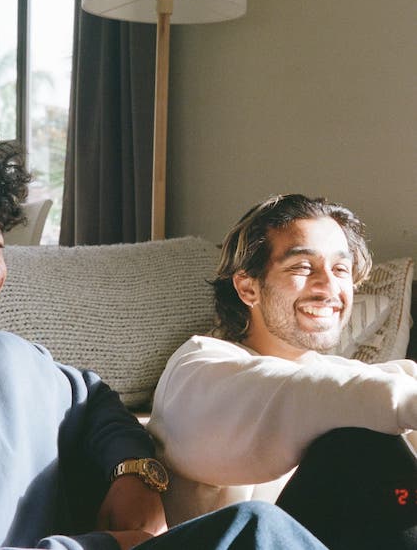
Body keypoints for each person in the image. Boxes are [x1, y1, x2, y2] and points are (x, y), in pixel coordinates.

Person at [0, 122, 328, 550]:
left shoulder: (15, 360)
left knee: (353, 459)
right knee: (256, 530)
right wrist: (105, 545)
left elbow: (94, 400)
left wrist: (135, 473)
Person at [147, 194, 417, 549]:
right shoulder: (197, 369)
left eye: (340, 269)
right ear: (247, 287)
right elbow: (295, 396)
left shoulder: (338, 375)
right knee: (358, 441)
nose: (329, 287)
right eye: (302, 267)